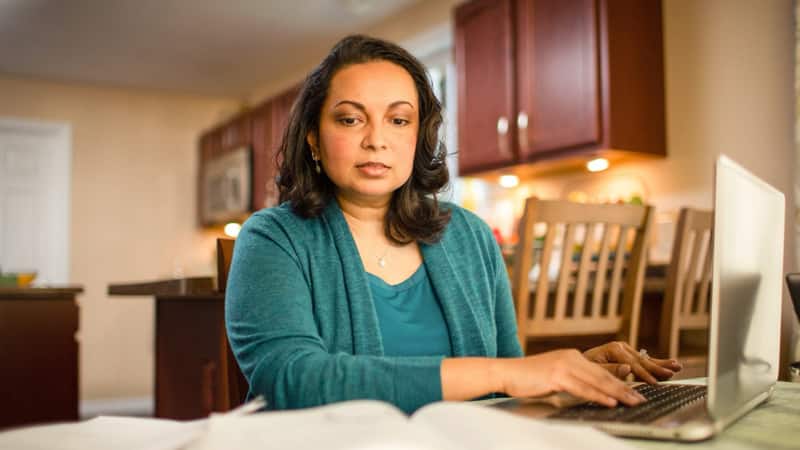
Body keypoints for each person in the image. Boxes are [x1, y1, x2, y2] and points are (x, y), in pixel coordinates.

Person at [225, 34, 681, 414]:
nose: (377, 140)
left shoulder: (470, 236)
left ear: (418, 137)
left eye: (398, 120)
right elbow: (292, 380)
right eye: (350, 119)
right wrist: (507, 372)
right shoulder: (272, 238)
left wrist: (573, 372)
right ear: (314, 140)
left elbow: (505, 388)